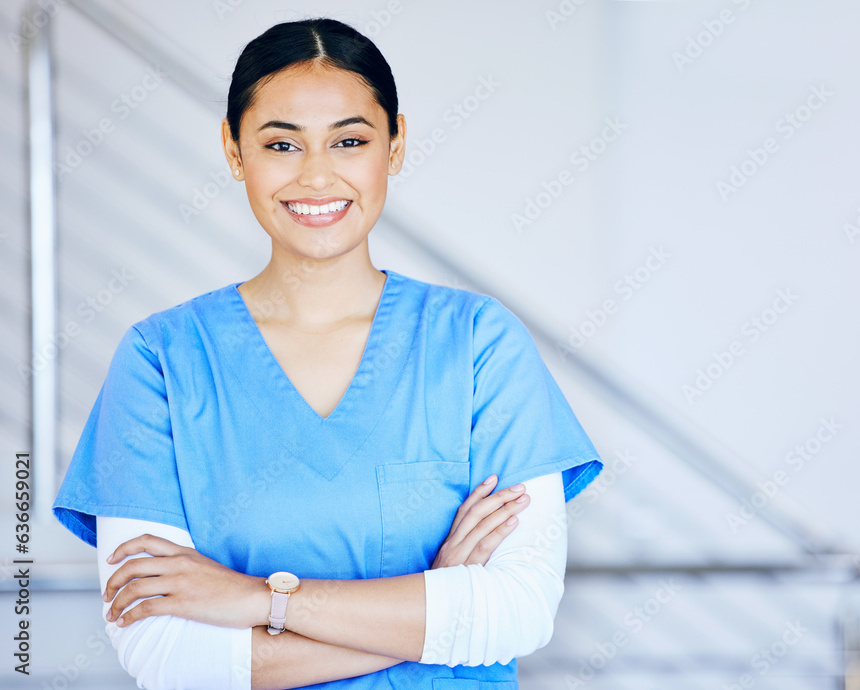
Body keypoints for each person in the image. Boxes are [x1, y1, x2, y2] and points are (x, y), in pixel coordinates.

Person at [51, 16, 603, 690]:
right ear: (233, 151)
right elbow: (167, 655)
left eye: (350, 140)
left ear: (395, 145)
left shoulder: (479, 345)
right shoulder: (161, 361)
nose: (316, 176)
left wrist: (261, 601)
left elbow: (518, 611)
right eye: (282, 143)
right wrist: (439, 601)